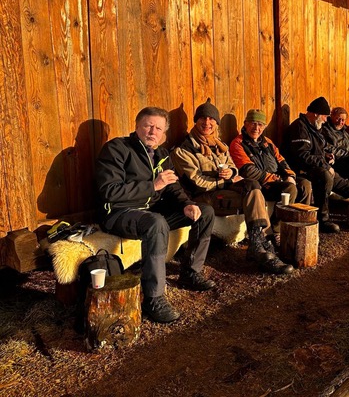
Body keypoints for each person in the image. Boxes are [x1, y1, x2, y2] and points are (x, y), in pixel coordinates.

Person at [95, 107, 216, 324]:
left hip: (150, 213)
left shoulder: (161, 154)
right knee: (156, 222)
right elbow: (110, 191)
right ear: (137, 126)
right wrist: (153, 186)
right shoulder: (117, 148)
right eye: (148, 125)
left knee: (204, 212)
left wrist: (187, 204)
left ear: (164, 134)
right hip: (118, 214)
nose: (153, 131)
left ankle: (190, 271)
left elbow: (173, 187)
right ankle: (154, 297)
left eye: (158, 128)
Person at [172, 99, 293, 275]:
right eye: (203, 119)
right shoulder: (184, 151)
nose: (207, 123)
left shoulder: (219, 145)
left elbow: (232, 166)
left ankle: (257, 243)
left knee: (252, 186)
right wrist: (226, 180)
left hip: (225, 191)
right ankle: (260, 243)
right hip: (205, 197)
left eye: (212, 119)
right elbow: (197, 183)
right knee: (253, 193)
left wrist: (230, 171)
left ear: (216, 123)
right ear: (195, 121)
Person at [282, 97, 349, 233]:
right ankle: (323, 219)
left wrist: (327, 155)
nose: (326, 120)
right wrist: (325, 165)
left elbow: (324, 146)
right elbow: (302, 156)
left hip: (318, 167)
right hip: (302, 170)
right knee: (324, 175)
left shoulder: (314, 128)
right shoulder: (299, 128)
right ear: (316, 114)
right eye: (325, 116)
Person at [230, 108, 312, 204]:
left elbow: (281, 161)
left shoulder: (267, 142)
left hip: (277, 179)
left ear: (264, 127)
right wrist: (276, 179)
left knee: (305, 184)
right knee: (289, 188)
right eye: (253, 123)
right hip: (261, 184)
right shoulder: (238, 143)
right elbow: (248, 171)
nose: (256, 128)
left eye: (260, 124)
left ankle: (302, 216)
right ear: (245, 123)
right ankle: (283, 218)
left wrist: (289, 176)